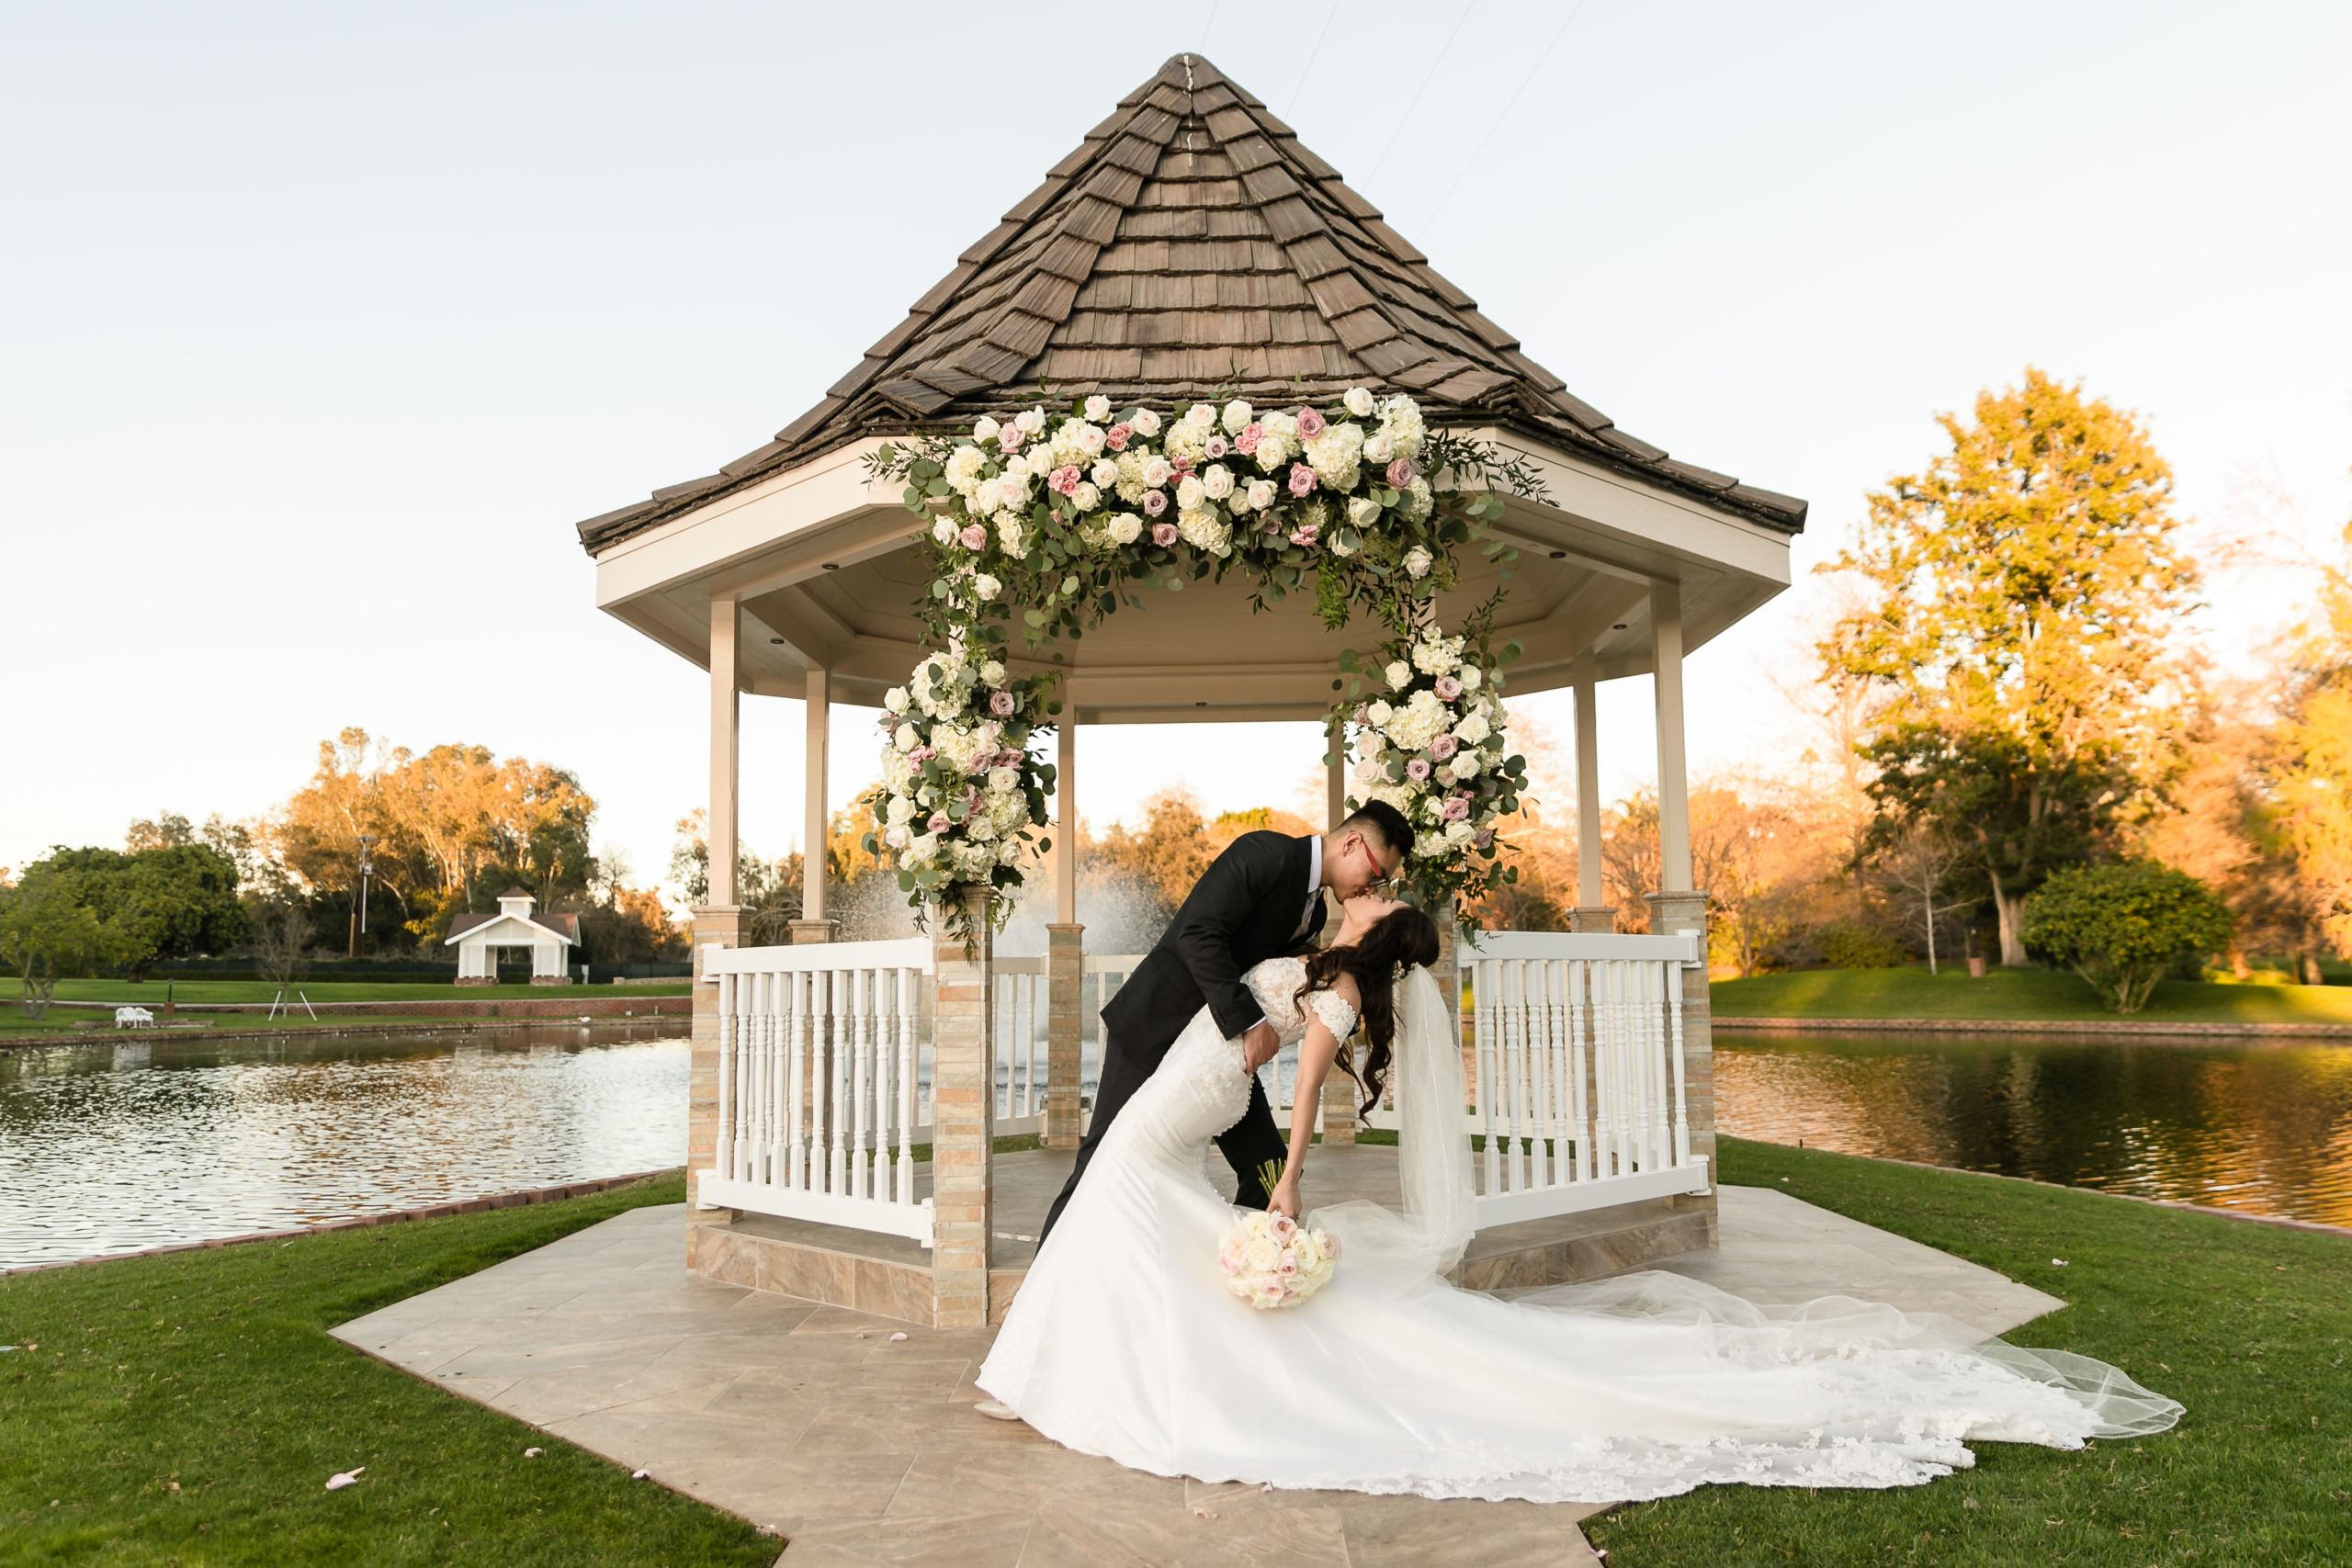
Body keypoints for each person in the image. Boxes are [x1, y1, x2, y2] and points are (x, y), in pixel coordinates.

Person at [977, 897, 2182, 1504]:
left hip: (1191, 1095)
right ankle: (1078, 1366)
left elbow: (1298, 1098)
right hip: (1185, 1090)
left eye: (1362, 902)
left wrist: (1288, 1182)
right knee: (1133, 1205)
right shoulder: (1328, 957)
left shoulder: (1340, 984)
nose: (1348, 901)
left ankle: (1091, 1372)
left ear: (1378, 935)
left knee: (1129, 1200)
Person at [1035, 801, 1409, 1245]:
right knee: (1099, 1161)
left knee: (1269, 1169)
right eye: (1378, 872)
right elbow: (1198, 934)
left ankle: (1254, 1282)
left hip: (1217, 1056)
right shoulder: (1264, 854)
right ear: (1352, 843)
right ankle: (1046, 1285)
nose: (1376, 885)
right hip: (1158, 1027)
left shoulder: (1315, 910)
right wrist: (1251, 1022)